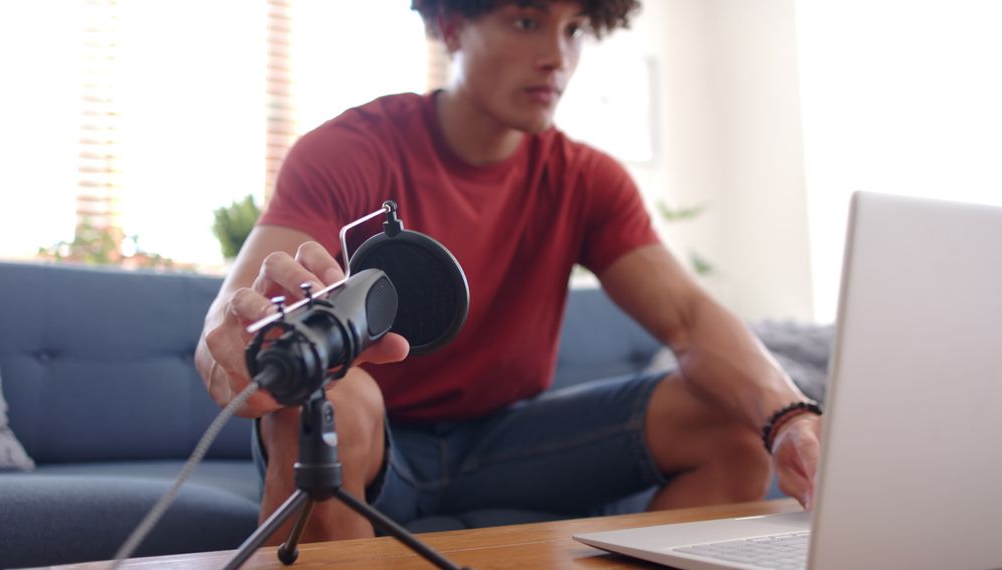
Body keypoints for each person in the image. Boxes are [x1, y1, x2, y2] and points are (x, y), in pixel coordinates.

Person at [195, 0, 823, 544]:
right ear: (451, 26)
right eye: (527, 21)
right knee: (333, 400)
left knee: (734, 424)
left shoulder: (586, 179)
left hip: (508, 442)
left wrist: (789, 417)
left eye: (575, 29)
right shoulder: (350, 150)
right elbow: (231, 321)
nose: (557, 57)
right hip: (377, 435)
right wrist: (242, 353)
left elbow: (688, 318)